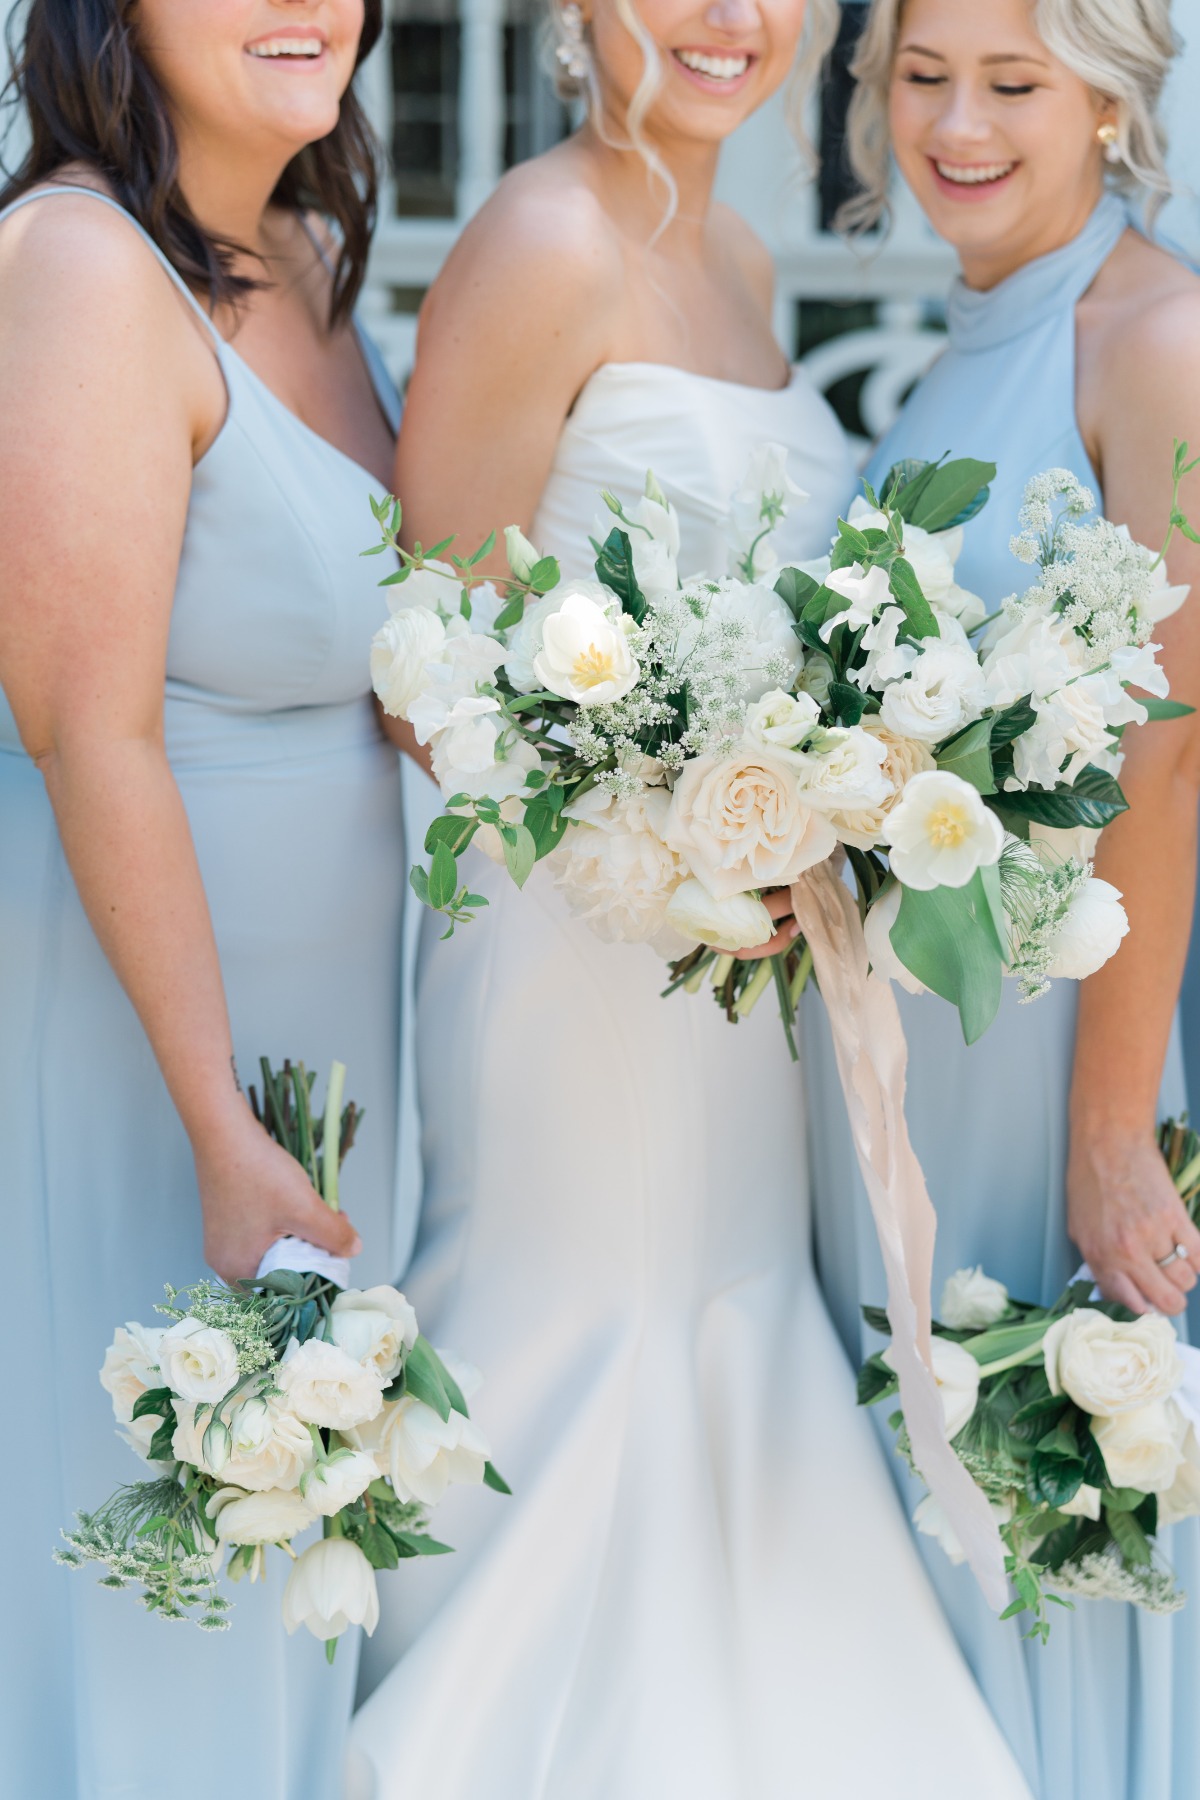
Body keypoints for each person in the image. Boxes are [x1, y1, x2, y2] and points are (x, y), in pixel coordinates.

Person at [347, 1, 1033, 1795]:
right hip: (579, 960)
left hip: (744, 970)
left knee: (730, 1316)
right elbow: (428, 670)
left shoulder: (730, 246)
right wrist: (657, 848)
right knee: (596, 1337)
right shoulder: (541, 237)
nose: (734, 18)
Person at [0, 2, 405, 1794]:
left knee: (305, 1580)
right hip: (161, 1063)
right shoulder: (79, 265)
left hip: (341, 1062)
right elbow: (91, 730)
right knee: (166, 1579)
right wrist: (217, 1123)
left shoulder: (312, 256)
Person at [803, 1, 1200, 1795]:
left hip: (1051, 1047)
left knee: (1044, 1519)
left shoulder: (1162, 340)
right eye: (922, 75)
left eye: (1014, 84)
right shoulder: (963, 342)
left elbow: (1175, 752)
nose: (957, 124)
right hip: (894, 1046)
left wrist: (1112, 1133)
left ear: (1113, 99)